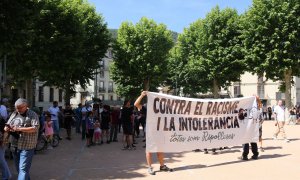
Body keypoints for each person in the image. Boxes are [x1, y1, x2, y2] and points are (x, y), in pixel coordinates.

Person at [134, 91, 173, 175]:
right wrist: (141, 95)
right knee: (149, 150)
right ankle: (150, 167)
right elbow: (136, 104)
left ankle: (162, 166)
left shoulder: (162, 107)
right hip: (150, 131)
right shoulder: (146, 106)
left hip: (160, 131)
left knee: (160, 150)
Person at [5, 98, 39, 179]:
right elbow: (8, 124)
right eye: (16, 107)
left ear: (26, 106)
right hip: (14, 145)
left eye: (20, 107)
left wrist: (19, 129)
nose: (18, 109)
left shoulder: (32, 114)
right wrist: (6, 128)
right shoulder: (14, 113)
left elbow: (35, 128)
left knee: (23, 169)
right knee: (19, 169)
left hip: (26, 146)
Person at [0, 100, 11, 179]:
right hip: (2, 142)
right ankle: (7, 175)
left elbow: (6, 131)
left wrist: (3, 141)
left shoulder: (1, 121)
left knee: (1, 160)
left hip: (1, 142)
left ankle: (6, 176)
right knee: (1, 160)